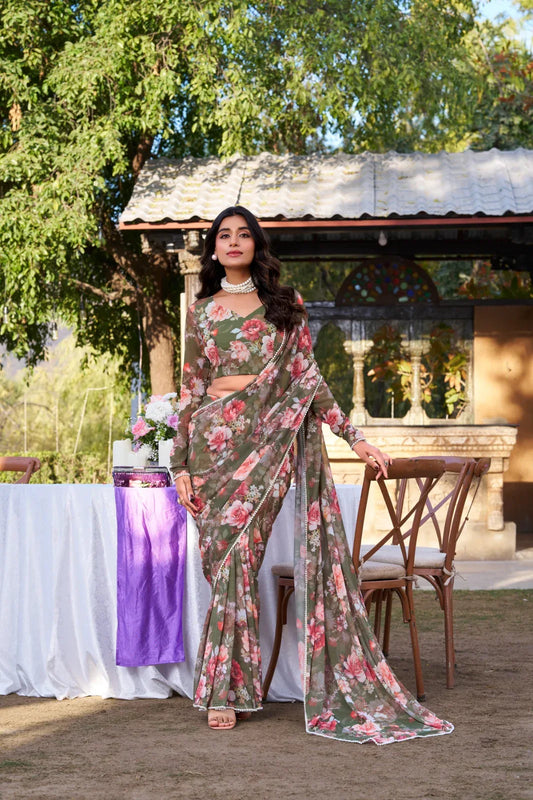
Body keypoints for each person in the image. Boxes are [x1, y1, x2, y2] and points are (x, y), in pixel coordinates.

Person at [169, 205, 453, 743]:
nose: (233, 242)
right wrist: (179, 462)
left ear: (257, 245)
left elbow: (309, 379)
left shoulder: (284, 305)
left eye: (243, 234)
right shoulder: (200, 312)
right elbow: (190, 389)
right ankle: (231, 685)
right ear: (213, 248)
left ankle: (224, 690)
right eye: (224, 235)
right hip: (213, 447)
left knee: (240, 559)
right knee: (223, 563)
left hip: (270, 443)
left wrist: (355, 435)